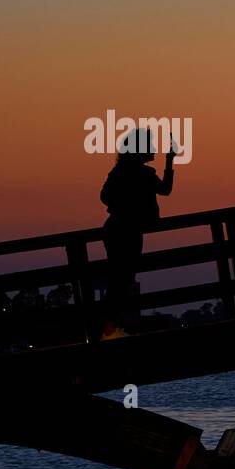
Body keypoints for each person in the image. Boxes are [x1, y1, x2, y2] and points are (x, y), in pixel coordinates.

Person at [99, 127, 177, 336]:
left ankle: (108, 325)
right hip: (129, 231)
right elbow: (166, 189)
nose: (153, 148)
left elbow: (104, 197)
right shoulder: (143, 174)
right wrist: (170, 161)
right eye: (149, 145)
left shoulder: (119, 171)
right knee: (123, 278)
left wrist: (121, 206)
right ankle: (108, 325)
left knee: (118, 277)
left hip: (113, 228)